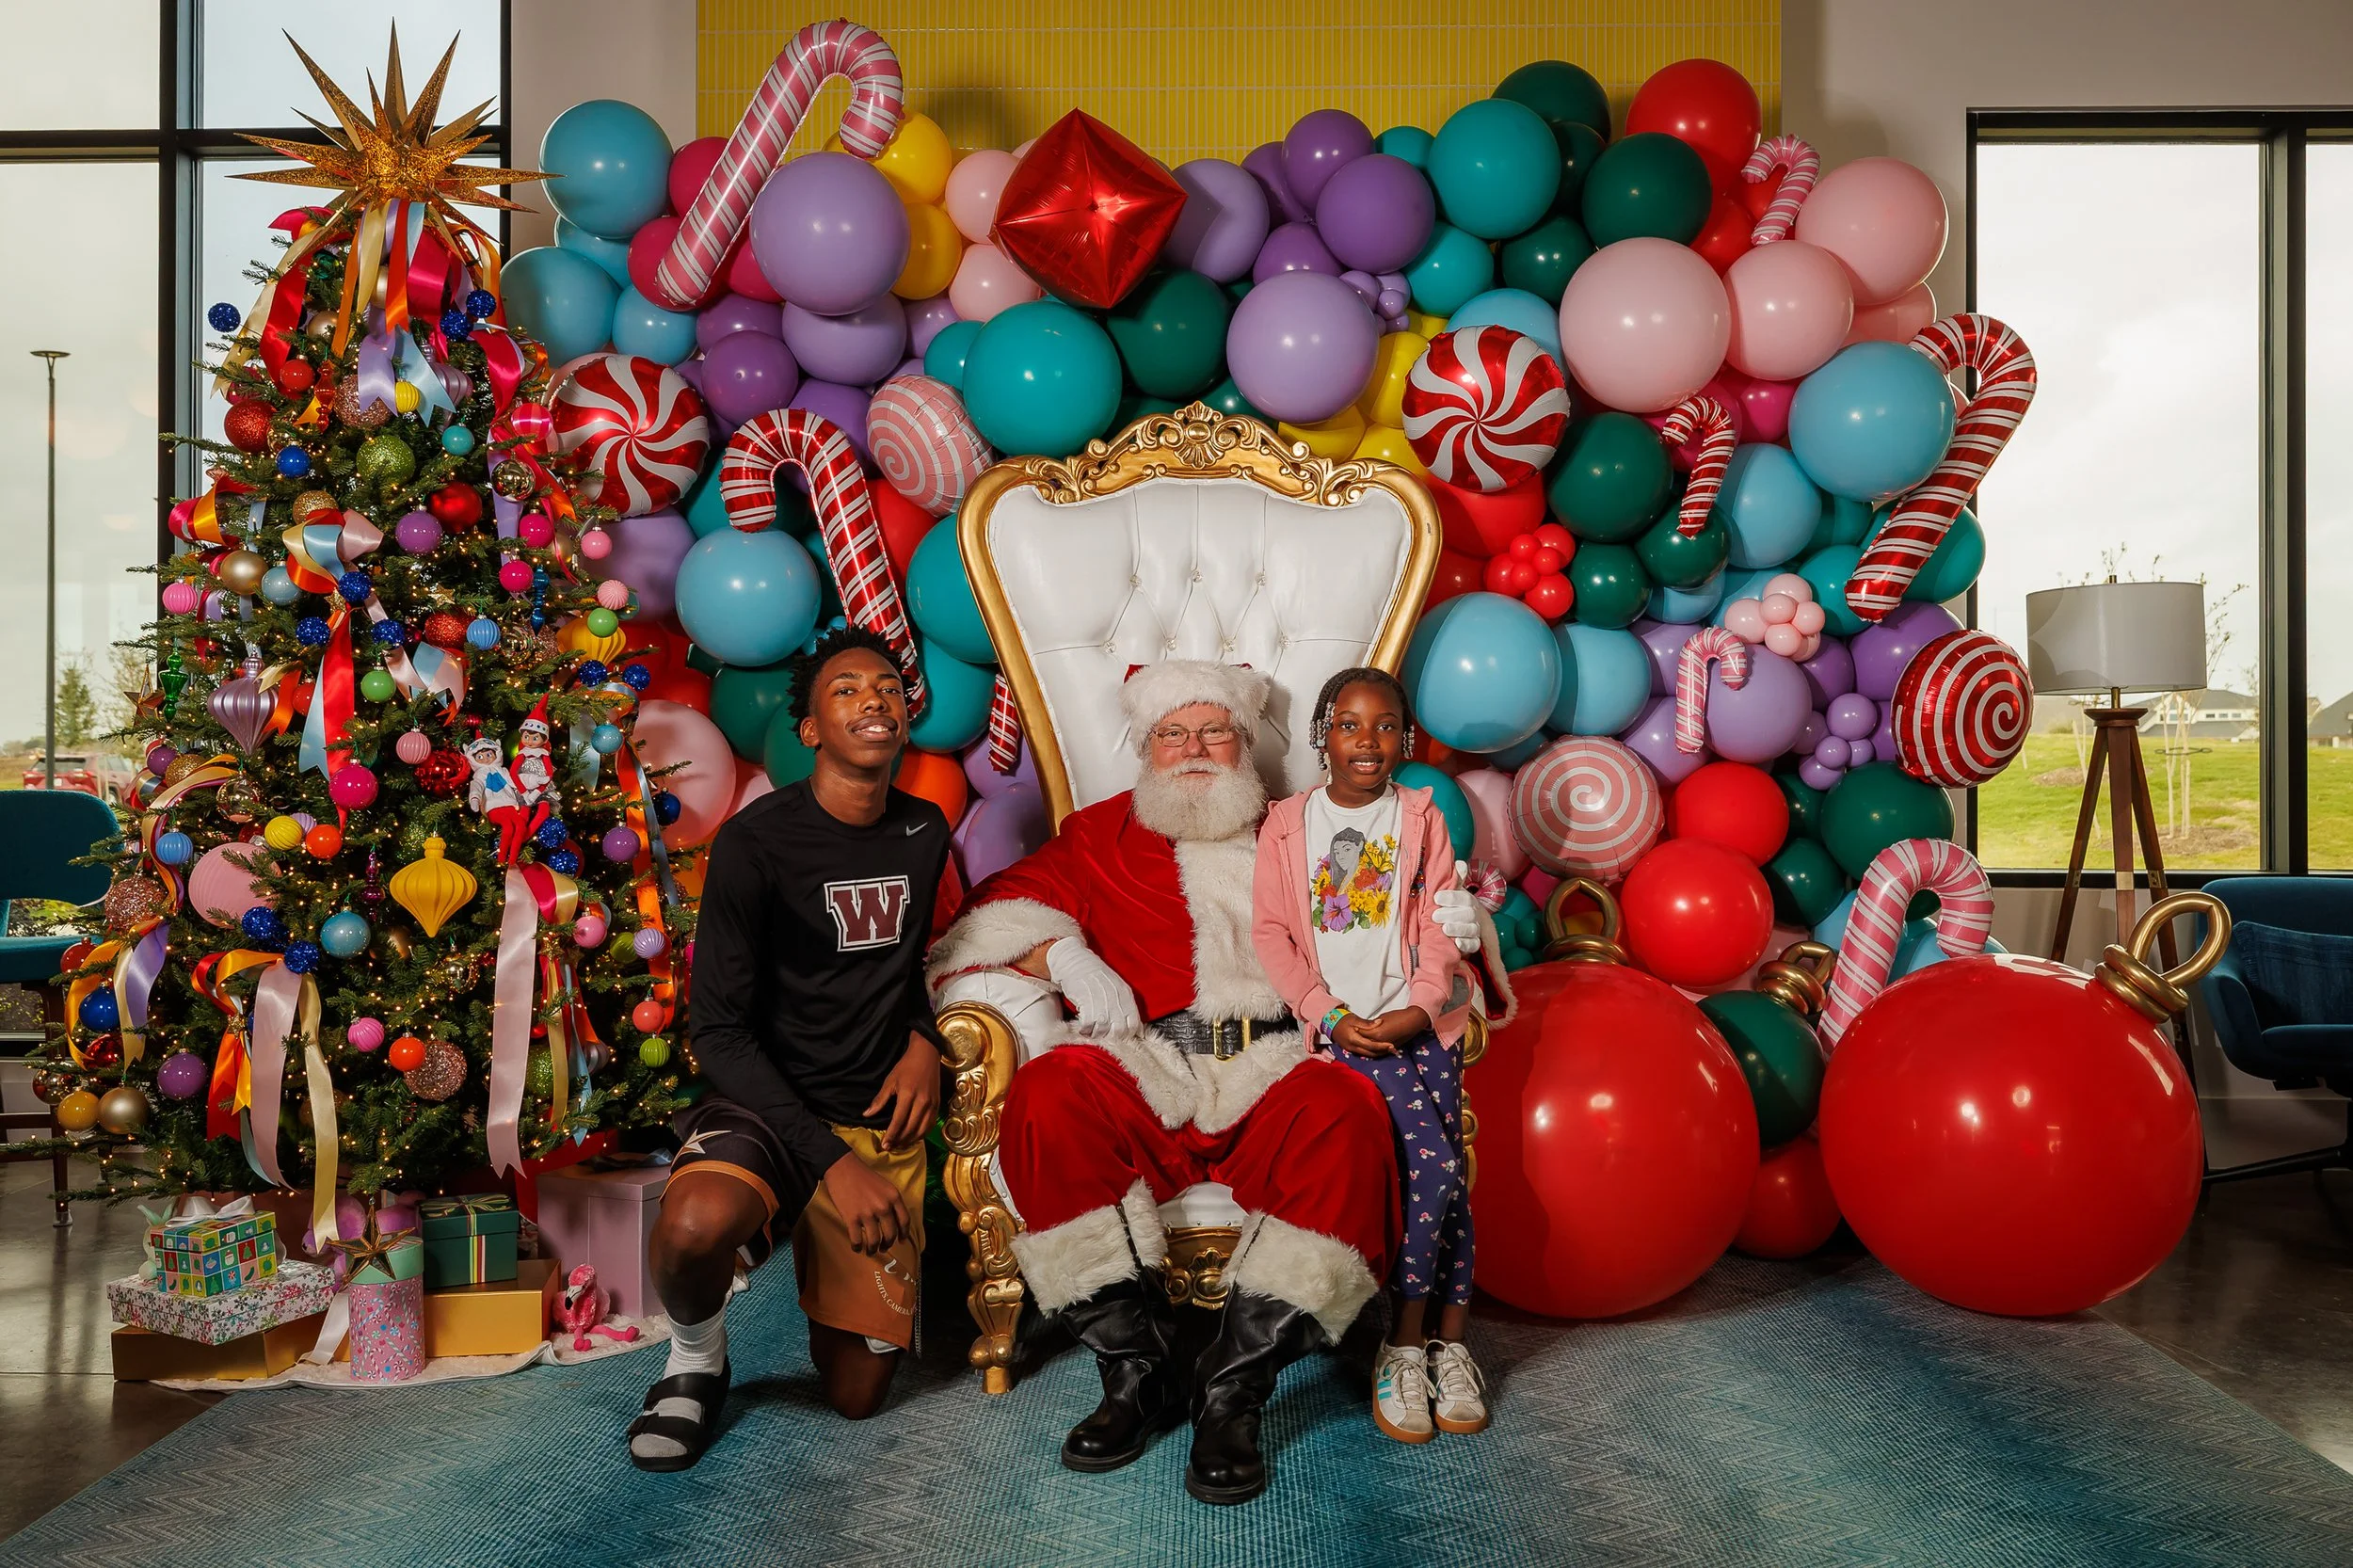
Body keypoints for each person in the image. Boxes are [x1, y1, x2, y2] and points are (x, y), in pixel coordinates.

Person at [924, 660, 1489, 1506]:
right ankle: (1135, 1372)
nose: (1194, 750)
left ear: (1246, 740)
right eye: (1171, 734)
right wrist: (1065, 954)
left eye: (1213, 730)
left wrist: (1452, 920)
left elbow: (1388, 922)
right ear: (1146, 748)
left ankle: (1234, 1387)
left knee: (1345, 1106)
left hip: (1276, 1062)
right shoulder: (1100, 833)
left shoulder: (1301, 826)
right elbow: (980, 925)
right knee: (1049, 1090)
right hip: (1149, 1063)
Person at [627, 626, 953, 1472]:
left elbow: (912, 964)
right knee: (693, 1230)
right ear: (809, 731)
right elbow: (720, 1033)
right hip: (770, 1106)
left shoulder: (923, 831)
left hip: (872, 1113)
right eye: (844, 690)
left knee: (855, 1398)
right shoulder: (756, 843)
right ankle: (696, 1358)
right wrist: (830, 1168)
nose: (872, 699)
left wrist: (922, 1039)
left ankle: (771, 1226)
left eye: (885, 686)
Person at [1253, 667, 1512, 1446]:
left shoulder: (1421, 818)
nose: (1367, 742)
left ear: (1405, 737)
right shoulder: (1287, 826)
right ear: (1321, 735)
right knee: (1433, 1166)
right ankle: (1399, 1348)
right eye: (1349, 725)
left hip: (1422, 1023)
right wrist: (1325, 1013)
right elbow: (1272, 934)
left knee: (1452, 1182)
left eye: (1384, 727)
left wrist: (1422, 1004)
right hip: (1348, 1032)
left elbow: (1439, 926)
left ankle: (1449, 1345)